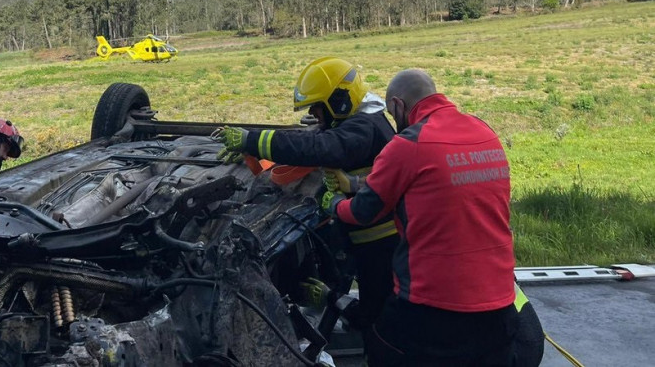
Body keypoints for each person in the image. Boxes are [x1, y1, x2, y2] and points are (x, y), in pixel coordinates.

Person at [329, 69, 515, 366]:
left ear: (399, 106)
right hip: (501, 306)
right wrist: (355, 184)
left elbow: (363, 212)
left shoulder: (407, 144)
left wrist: (334, 202)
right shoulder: (484, 132)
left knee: (379, 344)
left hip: (433, 309)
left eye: (392, 113)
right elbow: (433, 179)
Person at [214, 57, 398, 334]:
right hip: (367, 234)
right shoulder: (364, 120)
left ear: (339, 101)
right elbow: (317, 138)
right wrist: (253, 150)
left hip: (378, 243)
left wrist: (251, 140)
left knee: (375, 317)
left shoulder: (363, 128)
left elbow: (322, 146)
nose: (314, 114)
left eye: (317, 107)